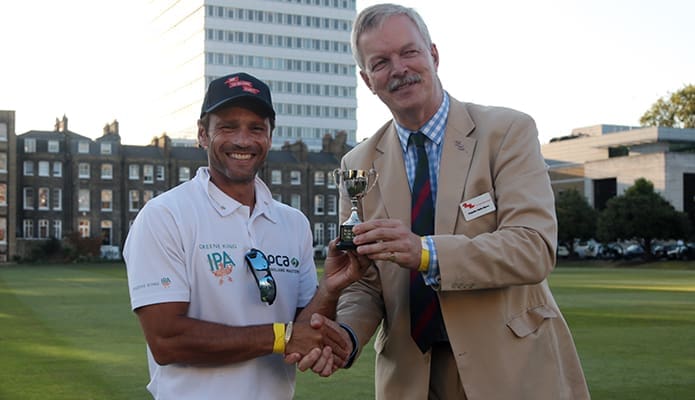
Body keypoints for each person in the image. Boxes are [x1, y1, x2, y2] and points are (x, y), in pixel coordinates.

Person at [299, 3, 591, 399]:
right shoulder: (357, 164)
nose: (399, 68)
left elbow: (533, 247)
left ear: (433, 55)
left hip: (512, 372)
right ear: (368, 80)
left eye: (409, 52)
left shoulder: (506, 132)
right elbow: (365, 282)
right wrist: (347, 334)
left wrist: (425, 252)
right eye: (381, 61)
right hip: (412, 380)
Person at [123, 72, 368, 399]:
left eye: (256, 128)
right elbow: (167, 340)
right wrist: (280, 337)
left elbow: (306, 330)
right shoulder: (165, 216)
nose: (243, 140)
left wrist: (331, 286)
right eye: (227, 126)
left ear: (270, 137)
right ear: (202, 134)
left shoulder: (293, 223)